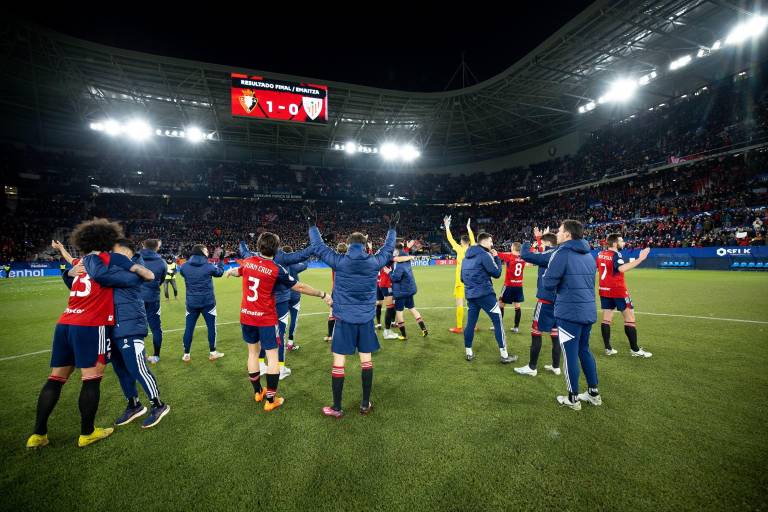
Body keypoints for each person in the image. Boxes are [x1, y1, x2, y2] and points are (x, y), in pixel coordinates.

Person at [27, 219, 139, 449]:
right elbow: (127, 265)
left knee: (55, 379)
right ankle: (87, 432)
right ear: (108, 241)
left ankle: (38, 434)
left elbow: (73, 263)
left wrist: (63, 255)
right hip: (90, 325)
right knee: (91, 380)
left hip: (65, 323)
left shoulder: (84, 262)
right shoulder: (108, 261)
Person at [304, 206, 396, 418]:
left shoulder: (340, 261)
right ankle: (365, 404)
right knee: (366, 361)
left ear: (349, 243)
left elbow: (318, 247)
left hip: (344, 320)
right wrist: (392, 229)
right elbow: (388, 250)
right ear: (364, 245)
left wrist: (312, 225)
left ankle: (337, 407)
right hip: (365, 319)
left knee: (339, 363)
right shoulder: (373, 261)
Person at [226, 232, 332, 411]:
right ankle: (270, 400)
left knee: (253, 354)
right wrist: (322, 294)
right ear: (276, 249)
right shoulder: (276, 269)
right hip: (266, 318)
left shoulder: (249, 262)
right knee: (272, 356)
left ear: (259, 246)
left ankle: (258, 391)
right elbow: (299, 286)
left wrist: (231, 271)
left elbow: (239, 271)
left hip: (246, 315)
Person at [85, 238, 170, 428]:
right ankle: (134, 405)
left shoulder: (135, 265)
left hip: (129, 323)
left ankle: (158, 405)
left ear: (125, 251)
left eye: (113, 251)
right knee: (121, 369)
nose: (109, 256)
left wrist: (102, 269)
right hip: (110, 323)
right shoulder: (122, 267)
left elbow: (102, 276)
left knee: (137, 367)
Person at [541, 219, 600, 410]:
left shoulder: (562, 253)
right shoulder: (589, 255)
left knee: (570, 355)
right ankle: (593, 393)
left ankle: (573, 399)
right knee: (585, 350)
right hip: (588, 311)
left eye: (559, 231)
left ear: (567, 235)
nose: (556, 234)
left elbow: (548, 283)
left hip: (569, 313)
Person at [238, 239, 313, 379]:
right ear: (276, 247)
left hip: (258, 305)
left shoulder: (252, 258)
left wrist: (242, 241)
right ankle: (281, 368)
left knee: (258, 338)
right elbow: (302, 257)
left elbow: (244, 252)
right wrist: (316, 246)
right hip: (280, 303)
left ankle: (260, 365)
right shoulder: (284, 258)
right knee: (279, 336)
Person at [460, 232, 516, 363]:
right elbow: (496, 273)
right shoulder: (485, 255)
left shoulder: (465, 257)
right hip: (485, 295)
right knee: (498, 321)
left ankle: (469, 352)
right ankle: (504, 355)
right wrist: (496, 258)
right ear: (484, 242)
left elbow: (462, 279)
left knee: (470, 323)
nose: (492, 244)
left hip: (470, 295)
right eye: (491, 241)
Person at [514, 228, 561, 377]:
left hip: (546, 300)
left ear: (547, 243)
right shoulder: (559, 253)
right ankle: (556, 366)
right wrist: (539, 238)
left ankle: (532, 367)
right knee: (555, 334)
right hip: (559, 301)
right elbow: (542, 253)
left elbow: (526, 254)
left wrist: (528, 240)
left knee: (536, 332)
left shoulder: (548, 254)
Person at [597, 234, 652, 358]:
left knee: (606, 319)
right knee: (630, 319)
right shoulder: (616, 255)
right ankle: (635, 350)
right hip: (618, 290)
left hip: (604, 290)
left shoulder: (600, 254)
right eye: (622, 241)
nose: (624, 243)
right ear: (615, 243)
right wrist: (640, 259)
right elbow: (621, 269)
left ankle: (608, 348)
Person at [178, 245, 225, 362]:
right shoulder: (208, 266)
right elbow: (220, 273)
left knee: (189, 328)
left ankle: (186, 354)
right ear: (202, 252)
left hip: (191, 303)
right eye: (206, 251)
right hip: (207, 302)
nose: (208, 252)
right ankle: (213, 352)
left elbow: (184, 274)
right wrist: (221, 260)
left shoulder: (184, 267)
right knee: (211, 328)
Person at [389, 243, 428, 340]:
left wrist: (389, 272)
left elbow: (396, 278)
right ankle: (424, 329)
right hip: (409, 290)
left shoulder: (399, 264)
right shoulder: (407, 258)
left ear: (397, 251)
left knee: (399, 312)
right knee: (413, 309)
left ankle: (403, 335)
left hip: (401, 292)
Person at [444, 215, 475, 334]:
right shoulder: (473, 249)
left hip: (460, 280)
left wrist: (447, 226)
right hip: (472, 280)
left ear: (462, 242)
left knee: (460, 303)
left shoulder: (459, 248)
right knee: (472, 303)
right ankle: (473, 325)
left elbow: (450, 238)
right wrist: (468, 227)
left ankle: (459, 326)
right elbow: (473, 239)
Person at [139, 239, 167, 364]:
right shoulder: (162, 262)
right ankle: (156, 356)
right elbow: (161, 280)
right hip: (153, 298)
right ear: (157, 248)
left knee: (136, 326)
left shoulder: (135, 259)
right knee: (156, 328)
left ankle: (138, 355)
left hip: (136, 298)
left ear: (143, 246)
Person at [496, 242, 526, 333]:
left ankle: (499, 326)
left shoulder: (509, 257)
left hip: (509, 286)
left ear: (513, 248)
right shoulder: (524, 258)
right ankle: (516, 327)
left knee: (500, 304)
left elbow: (496, 253)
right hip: (518, 286)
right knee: (517, 306)